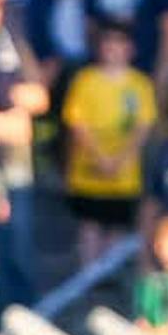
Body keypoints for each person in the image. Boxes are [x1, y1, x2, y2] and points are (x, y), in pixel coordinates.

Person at [62, 23, 158, 268]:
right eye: (108, 43)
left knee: (117, 226)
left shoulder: (140, 84)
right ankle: (89, 277)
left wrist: (120, 160)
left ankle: (109, 275)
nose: (113, 49)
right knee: (90, 225)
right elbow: (77, 123)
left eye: (119, 43)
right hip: (88, 173)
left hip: (124, 177)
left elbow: (142, 127)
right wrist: (100, 158)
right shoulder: (85, 80)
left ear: (130, 49)